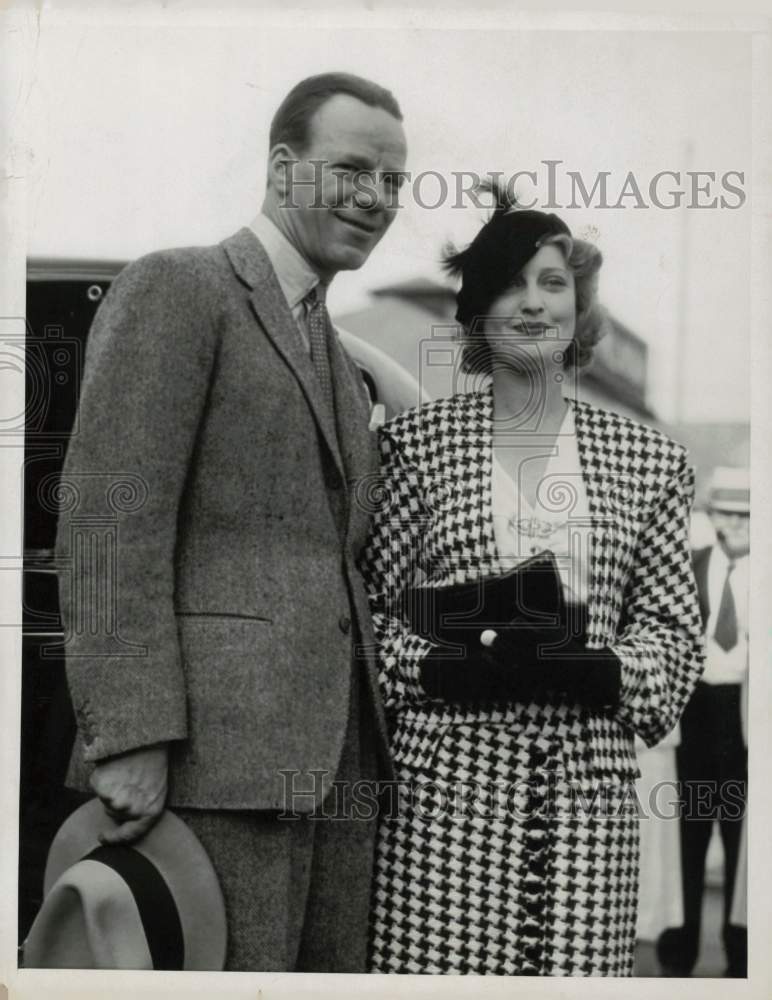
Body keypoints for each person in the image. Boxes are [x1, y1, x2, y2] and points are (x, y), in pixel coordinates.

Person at [53, 72, 408, 972]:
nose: (376, 198)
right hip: (208, 766)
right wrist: (131, 736)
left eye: (395, 182)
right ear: (284, 167)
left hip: (334, 772)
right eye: (353, 169)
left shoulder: (332, 348)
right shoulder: (182, 288)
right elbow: (106, 523)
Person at [359, 186, 705, 975]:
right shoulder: (415, 447)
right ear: (476, 311)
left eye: (553, 284)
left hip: (590, 800)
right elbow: (368, 618)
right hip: (442, 806)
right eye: (510, 284)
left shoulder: (652, 460)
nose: (532, 303)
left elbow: (675, 639)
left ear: (579, 308)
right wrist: (440, 665)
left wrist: (605, 668)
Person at [657, 467, 749, 977]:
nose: (735, 524)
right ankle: (678, 957)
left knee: (744, 847)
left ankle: (742, 960)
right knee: (685, 841)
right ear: (711, 516)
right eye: (727, 513)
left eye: (748, 516)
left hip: (747, 725)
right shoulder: (689, 567)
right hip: (693, 719)